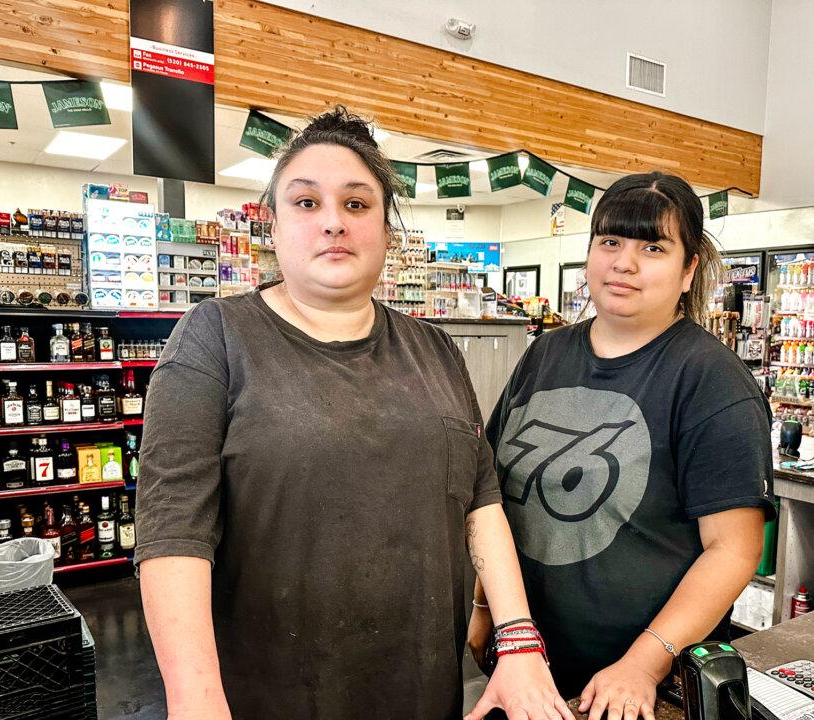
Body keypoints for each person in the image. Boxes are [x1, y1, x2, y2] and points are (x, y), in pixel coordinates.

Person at [136, 106, 574, 720]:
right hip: (269, 697)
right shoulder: (215, 338)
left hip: (423, 691)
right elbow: (173, 532)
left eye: (358, 204)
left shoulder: (436, 348)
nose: (333, 223)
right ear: (274, 225)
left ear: (387, 232)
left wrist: (519, 641)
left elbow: (482, 501)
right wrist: (196, 699)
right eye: (307, 203)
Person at [468, 172, 775, 720]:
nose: (624, 262)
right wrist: (485, 606)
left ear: (688, 271)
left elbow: (734, 549)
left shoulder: (712, 381)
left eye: (652, 247)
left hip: (634, 691)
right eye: (610, 242)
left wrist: (644, 664)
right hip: (524, 669)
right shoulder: (545, 354)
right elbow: (493, 493)